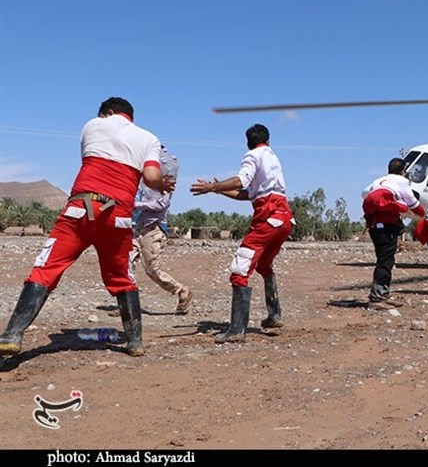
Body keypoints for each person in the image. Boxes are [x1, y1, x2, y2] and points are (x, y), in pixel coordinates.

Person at [0, 97, 175, 358]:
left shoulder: (92, 125)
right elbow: (150, 178)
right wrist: (163, 184)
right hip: (117, 217)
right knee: (122, 276)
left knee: (45, 268)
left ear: (108, 113)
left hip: (79, 210)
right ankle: (135, 342)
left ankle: (13, 333)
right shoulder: (148, 138)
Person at [190, 124, 293, 343]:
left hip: (267, 217)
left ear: (248, 142)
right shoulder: (272, 157)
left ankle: (237, 329)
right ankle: (274, 315)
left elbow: (240, 181)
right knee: (264, 265)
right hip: (284, 218)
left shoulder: (252, 155)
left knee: (240, 269)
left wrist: (210, 187)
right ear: (268, 139)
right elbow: (248, 193)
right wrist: (219, 189)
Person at [127, 146, 192, 314]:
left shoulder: (167, 184)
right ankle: (127, 301)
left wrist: (136, 205)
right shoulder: (146, 183)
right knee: (127, 262)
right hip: (139, 229)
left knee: (152, 270)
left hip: (154, 230)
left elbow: (161, 204)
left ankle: (181, 290)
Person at [362, 157, 425, 309]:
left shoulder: (378, 181)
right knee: (385, 261)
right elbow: (413, 203)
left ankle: (383, 293)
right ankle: (377, 298)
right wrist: (422, 213)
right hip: (387, 227)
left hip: (375, 227)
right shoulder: (402, 182)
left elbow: (364, 193)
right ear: (403, 171)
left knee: (384, 259)